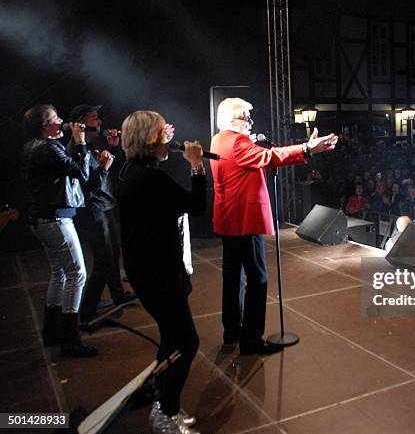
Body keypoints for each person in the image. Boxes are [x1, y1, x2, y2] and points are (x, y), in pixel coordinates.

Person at [210, 97, 337, 355]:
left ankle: (232, 331)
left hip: (228, 219)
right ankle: (251, 340)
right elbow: (271, 156)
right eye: (247, 118)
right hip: (245, 220)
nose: (250, 123)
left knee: (233, 277)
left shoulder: (219, 139)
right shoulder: (238, 142)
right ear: (235, 121)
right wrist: (308, 149)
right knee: (258, 279)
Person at [117, 110, 205, 434]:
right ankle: (165, 413)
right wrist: (196, 164)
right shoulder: (150, 179)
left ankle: (160, 397)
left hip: (146, 269)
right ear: (149, 140)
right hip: (159, 273)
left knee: (172, 338)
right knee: (187, 342)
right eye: (161, 133)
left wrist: (161, 137)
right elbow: (195, 206)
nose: (168, 137)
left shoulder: (131, 171)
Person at [20, 104, 97, 357]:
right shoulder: (48, 148)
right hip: (55, 220)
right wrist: (80, 141)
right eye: (56, 119)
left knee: (59, 273)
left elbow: (65, 167)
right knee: (78, 274)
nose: (62, 121)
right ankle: (71, 340)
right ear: (46, 125)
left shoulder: (32, 147)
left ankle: (51, 331)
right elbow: (82, 173)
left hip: (39, 220)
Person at [67, 104, 137, 320]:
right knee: (103, 260)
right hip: (93, 211)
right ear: (80, 123)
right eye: (94, 118)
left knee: (112, 254)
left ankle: (117, 295)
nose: (99, 122)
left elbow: (109, 173)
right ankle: (87, 309)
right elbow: (85, 187)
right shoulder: (76, 149)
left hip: (105, 207)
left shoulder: (93, 144)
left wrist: (114, 149)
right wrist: (104, 167)